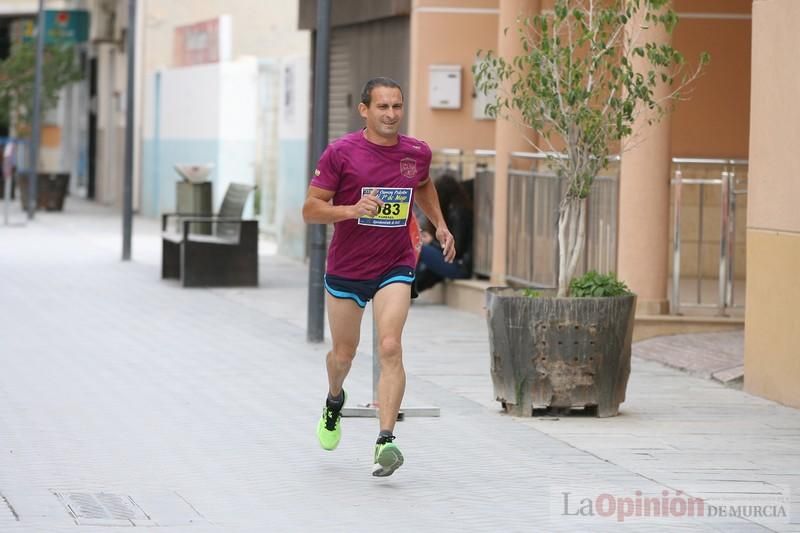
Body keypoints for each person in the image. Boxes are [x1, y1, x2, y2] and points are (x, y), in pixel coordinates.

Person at [302, 77, 455, 477]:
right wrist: (351, 210)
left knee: (390, 346)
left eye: (397, 107)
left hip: (395, 264)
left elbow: (422, 185)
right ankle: (334, 399)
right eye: (383, 107)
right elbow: (310, 209)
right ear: (364, 110)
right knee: (344, 354)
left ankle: (385, 440)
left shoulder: (416, 151)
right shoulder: (341, 153)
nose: (391, 115)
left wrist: (438, 223)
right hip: (348, 268)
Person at [414, 174, 473, 293]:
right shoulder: (454, 210)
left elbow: (456, 250)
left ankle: (407, 288)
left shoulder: (459, 213)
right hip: (454, 262)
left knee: (420, 248)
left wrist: (432, 242)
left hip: (460, 266)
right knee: (428, 270)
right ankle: (407, 289)